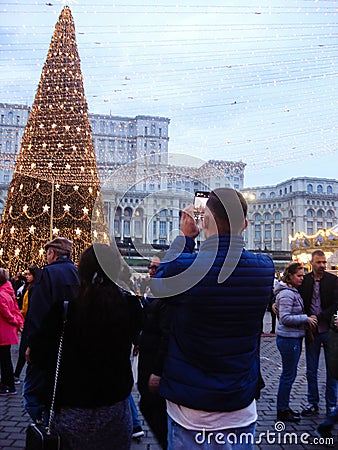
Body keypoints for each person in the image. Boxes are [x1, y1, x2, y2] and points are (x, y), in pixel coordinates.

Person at [152, 187, 275, 450]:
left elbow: (158, 286)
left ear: (203, 221)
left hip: (191, 411)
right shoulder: (265, 268)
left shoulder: (184, 267)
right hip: (240, 404)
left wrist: (184, 238)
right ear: (245, 224)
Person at [52, 243, 143, 450]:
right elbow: (141, 337)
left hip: (72, 408)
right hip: (115, 407)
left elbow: (40, 356)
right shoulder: (129, 306)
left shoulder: (65, 309)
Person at [23, 237, 80, 422]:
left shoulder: (46, 274)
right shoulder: (78, 273)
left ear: (52, 253)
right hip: (70, 344)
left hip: (46, 343)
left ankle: (42, 423)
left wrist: (31, 344)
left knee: (32, 392)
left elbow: (37, 313)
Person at [274, 262, 318, 422]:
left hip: (292, 337)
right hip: (288, 338)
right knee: (288, 375)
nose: (302, 278)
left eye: (302, 275)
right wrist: (305, 319)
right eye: (299, 275)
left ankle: (284, 407)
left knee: (288, 374)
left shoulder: (291, 291)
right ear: (290, 276)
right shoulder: (287, 294)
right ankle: (282, 409)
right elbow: (285, 318)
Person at [137, 254, 172, 449]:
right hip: (147, 360)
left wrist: (157, 371)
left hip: (155, 365)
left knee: (153, 407)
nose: (150, 271)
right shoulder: (151, 293)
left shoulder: (165, 297)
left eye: (155, 268)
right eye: (150, 267)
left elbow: (165, 335)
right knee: (148, 405)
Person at [299, 249, 338, 417]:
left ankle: (331, 404)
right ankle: (312, 401)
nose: (322, 265)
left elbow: (336, 303)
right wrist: (274, 304)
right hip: (311, 331)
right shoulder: (305, 281)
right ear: (312, 263)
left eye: (324, 262)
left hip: (329, 328)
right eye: (319, 262)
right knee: (311, 369)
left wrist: (320, 316)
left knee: (332, 369)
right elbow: (291, 293)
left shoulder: (333, 280)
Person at [13, 265, 39, 383]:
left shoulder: (35, 289)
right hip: (26, 320)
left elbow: (31, 307)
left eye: (29, 274)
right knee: (24, 350)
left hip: (29, 322)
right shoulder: (28, 288)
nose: (27, 276)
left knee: (25, 350)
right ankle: (18, 374)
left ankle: (18, 374)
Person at [0, 268, 24, 395]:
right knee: (5, 358)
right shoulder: (8, 292)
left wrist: (16, 321)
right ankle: (6, 382)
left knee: (5, 360)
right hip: (7, 331)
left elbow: (7, 313)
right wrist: (18, 322)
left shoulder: (1, 294)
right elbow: (14, 309)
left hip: (3, 332)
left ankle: (8, 384)